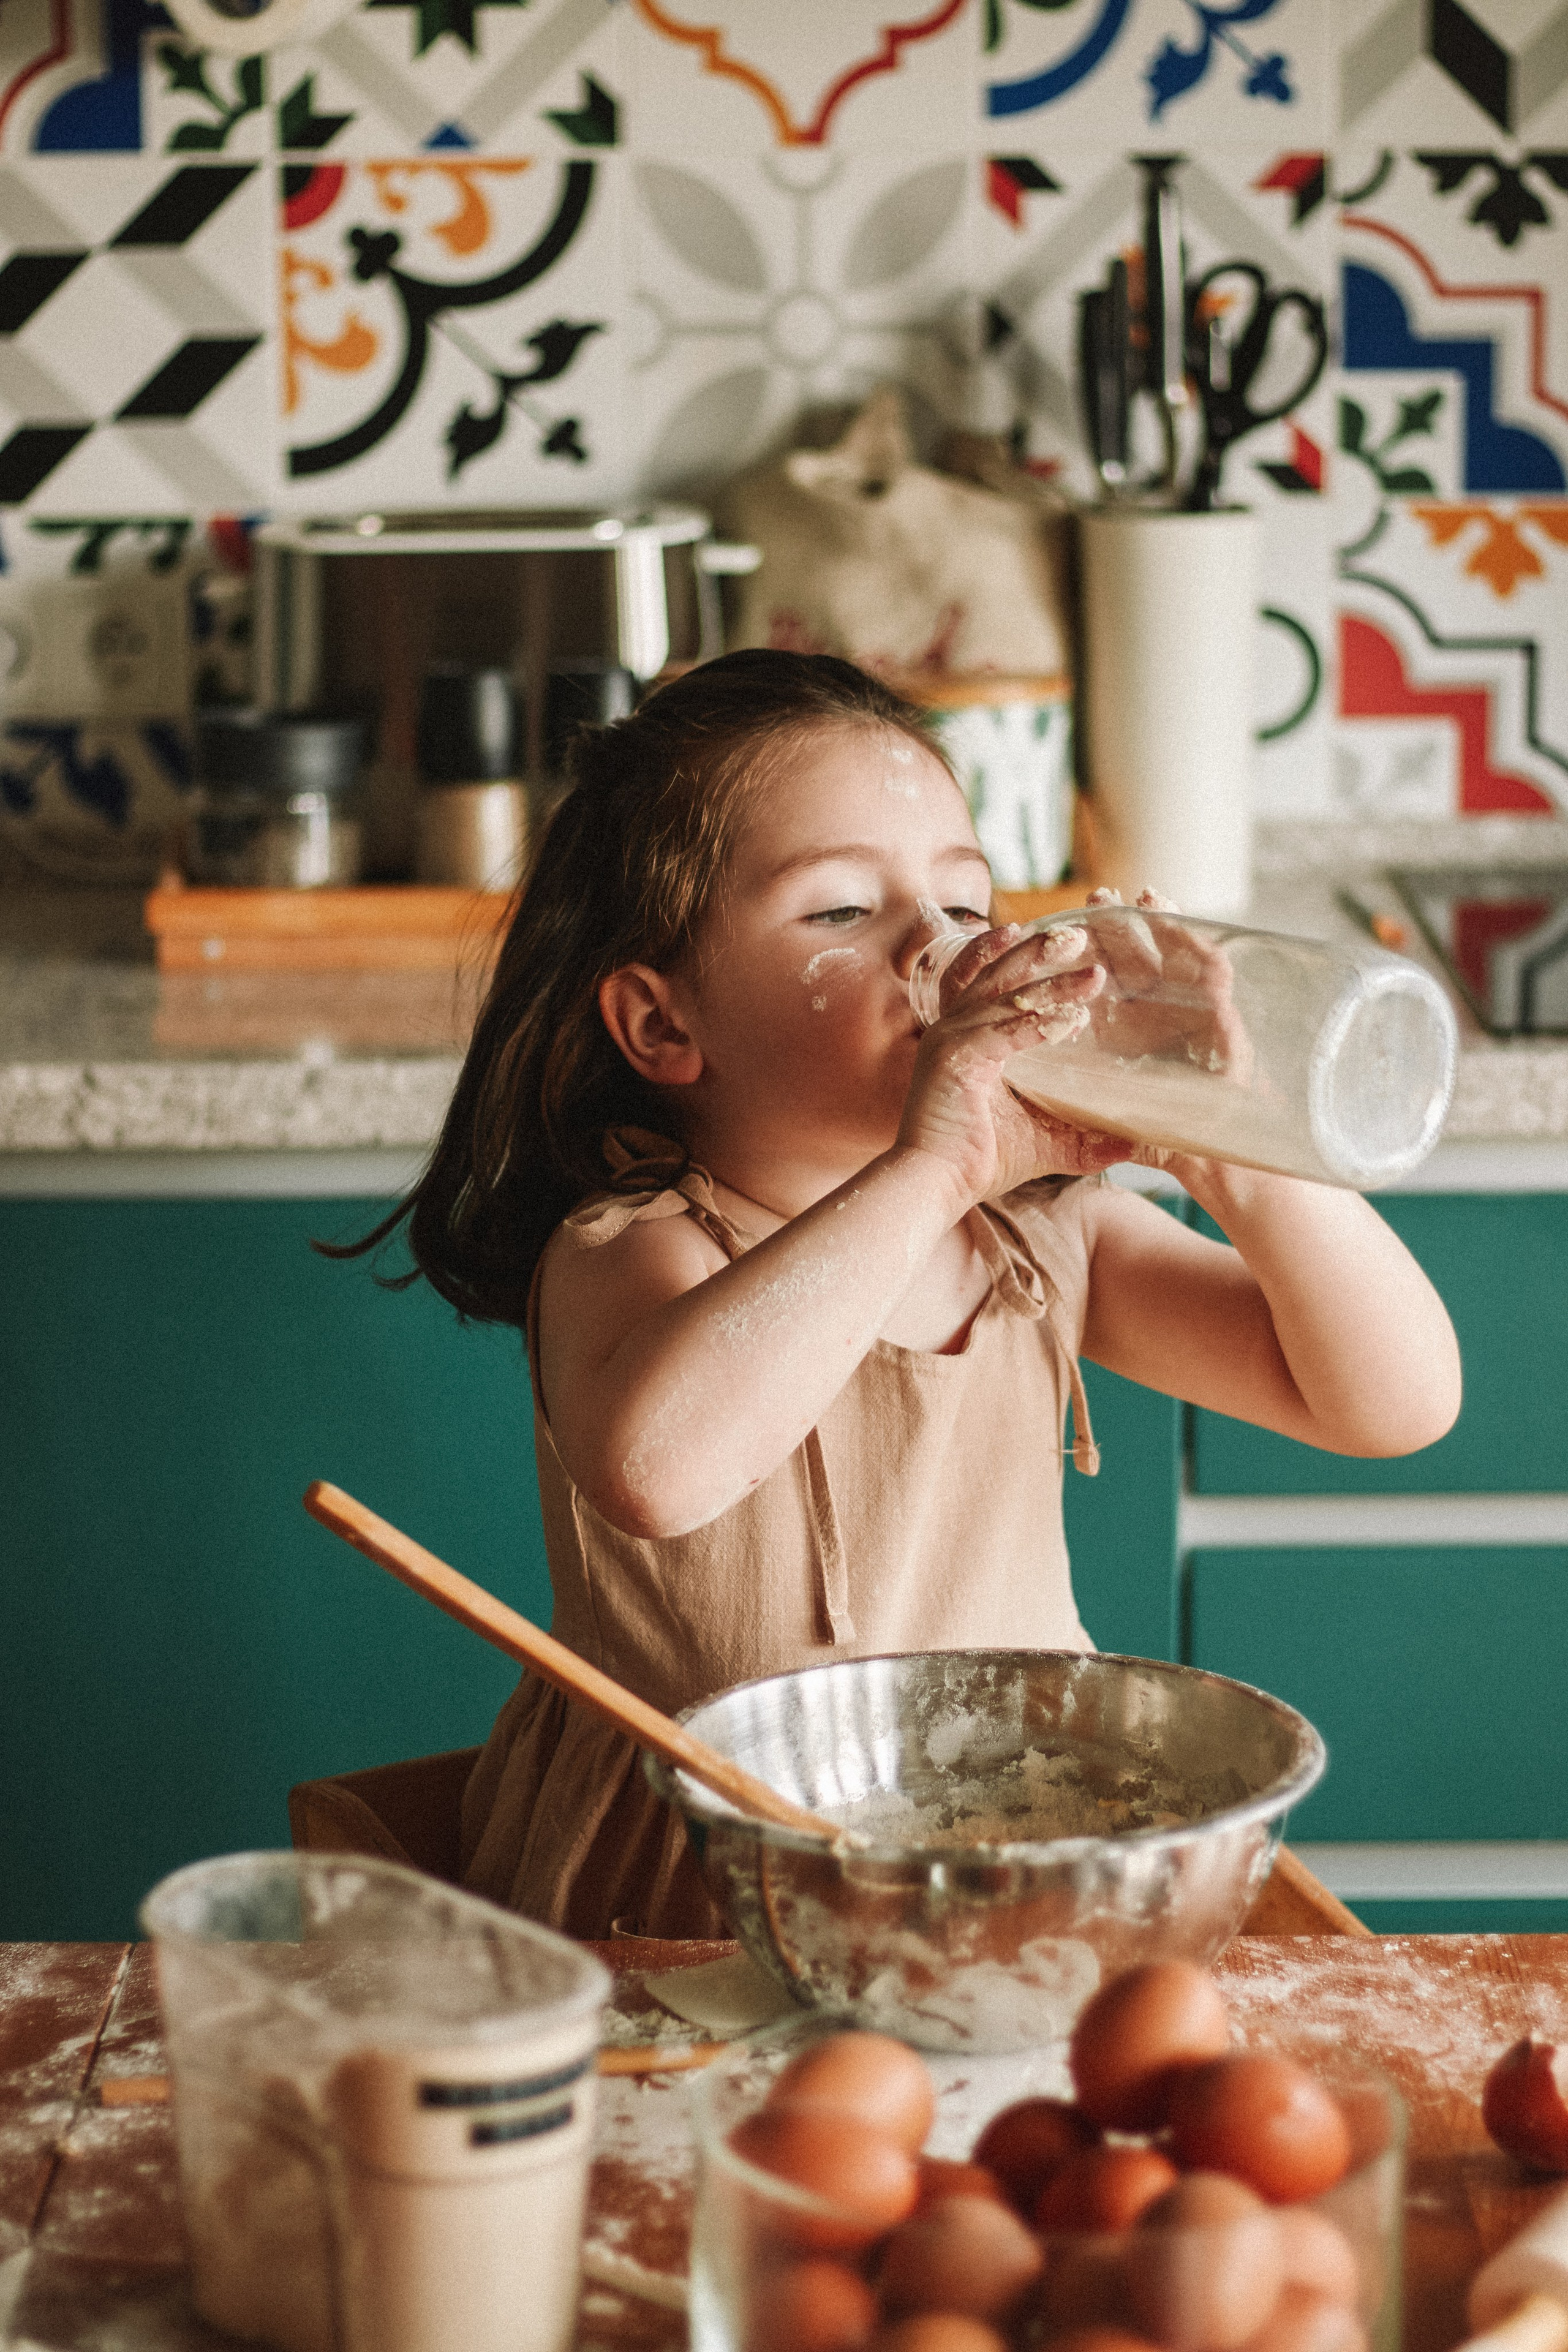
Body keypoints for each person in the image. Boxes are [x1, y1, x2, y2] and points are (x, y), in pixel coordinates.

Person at [350, 649, 1461, 1939]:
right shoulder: (638, 1247)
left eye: (961, 901)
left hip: (1014, 1851)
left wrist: (1232, 1139)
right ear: (661, 1027)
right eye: (837, 914)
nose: (934, 950)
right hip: (711, 1892)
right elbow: (657, 1467)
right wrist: (932, 1169)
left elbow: (1392, 1403)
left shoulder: (1044, 1238)